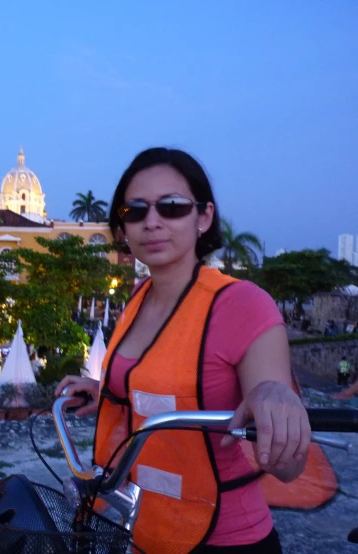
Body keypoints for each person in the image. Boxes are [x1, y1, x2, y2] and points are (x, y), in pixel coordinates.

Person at [56, 148, 311, 553]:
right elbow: (163, 382)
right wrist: (106, 388)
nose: (152, 222)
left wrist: (274, 399)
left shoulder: (242, 303)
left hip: (224, 539)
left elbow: (289, 462)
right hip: (143, 529)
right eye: (135, 211)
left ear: (204, 217)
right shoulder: (139, 297)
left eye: (172, 207)